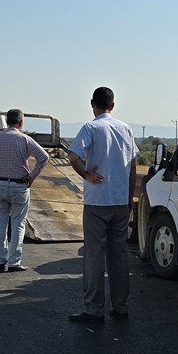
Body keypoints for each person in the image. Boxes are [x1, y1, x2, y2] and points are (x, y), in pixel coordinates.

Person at [66, 87, 139, 322]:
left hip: (97, 201)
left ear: (92, 104)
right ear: (113, 105)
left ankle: (93, 309)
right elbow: (133, 166)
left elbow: (72, 156)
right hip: (120, 201)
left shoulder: (91, 128)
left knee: (94, 256)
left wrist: (86, 174)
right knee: (119, 255)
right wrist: (129, 198)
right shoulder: (126, 129)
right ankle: (121, 306)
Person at [0, 109, 50, 273]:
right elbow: (44, 157)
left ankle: (0, 262)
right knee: (18, 225)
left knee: (0, 225)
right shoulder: (25, 139)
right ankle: (14, 262)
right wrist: (32, 176)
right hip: (19, 185)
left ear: (7, 122)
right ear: (21, 122)